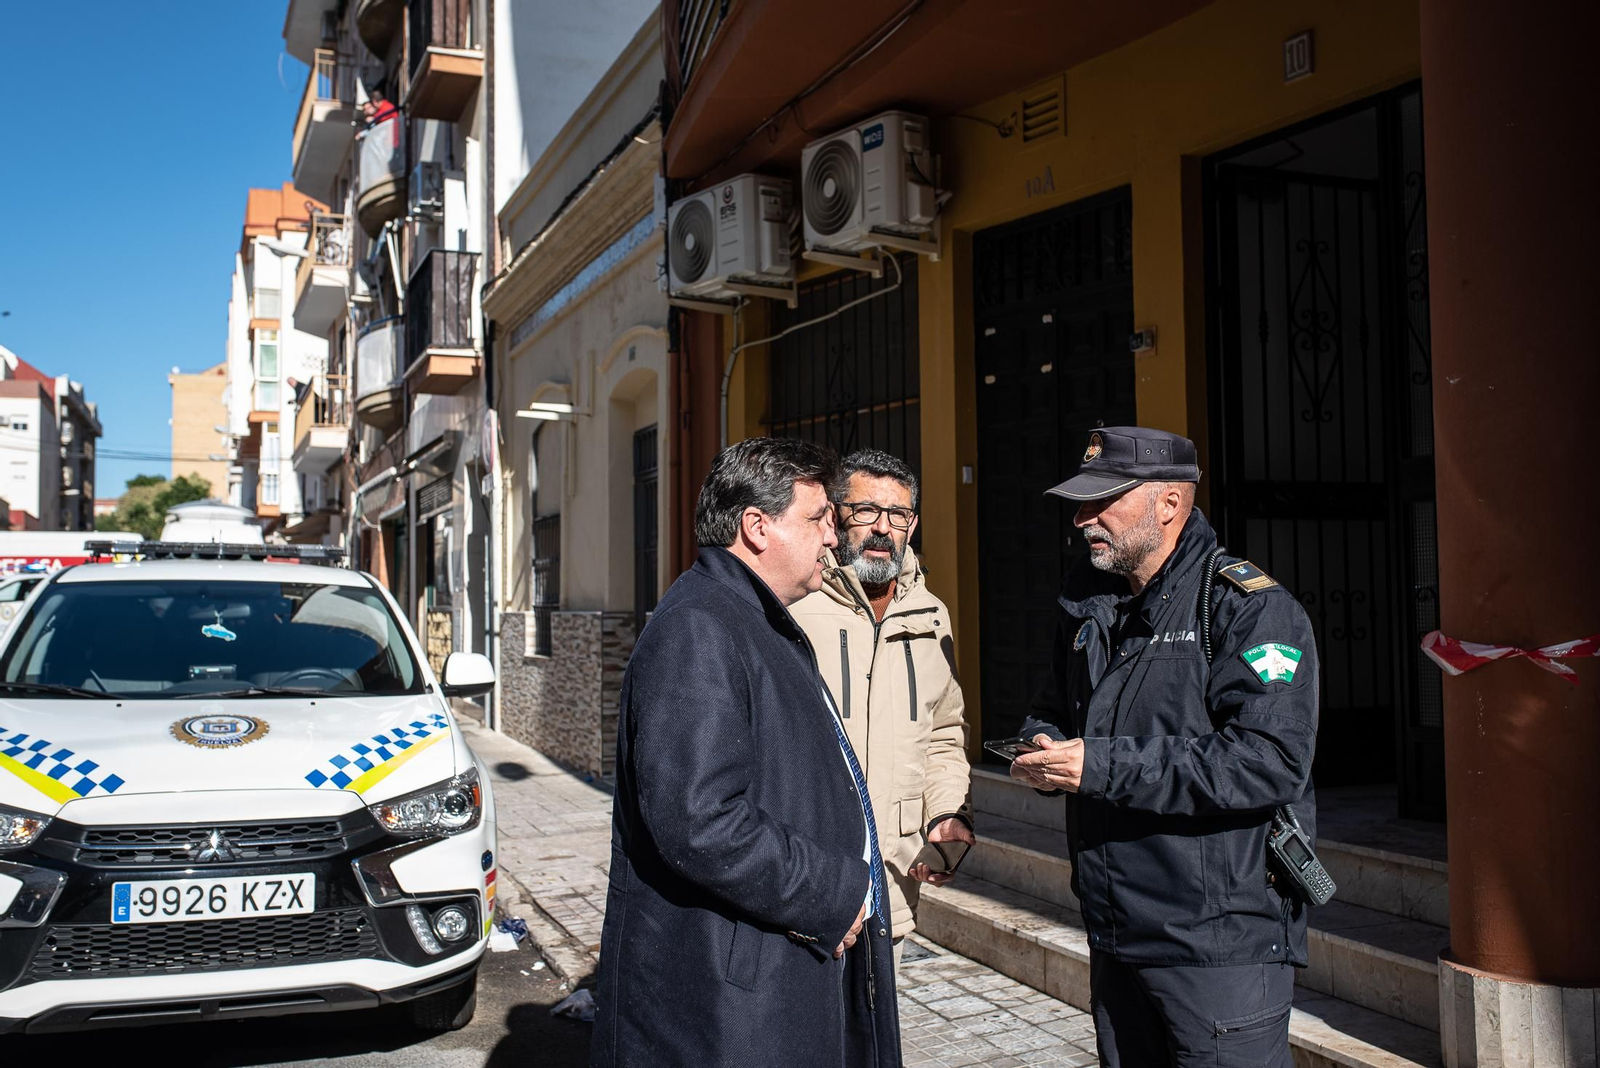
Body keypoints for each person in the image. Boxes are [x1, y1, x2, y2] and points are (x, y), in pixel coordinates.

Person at [1009, 426, 1319, 1068]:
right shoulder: (1090, 606)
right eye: (1078, 504)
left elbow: (1267, 762)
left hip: (1218, 943)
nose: (1082, 520)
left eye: (1102, 503)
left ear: (1169, 504)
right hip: (1116, 930)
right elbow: (1053, 705)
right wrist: (1044, 741)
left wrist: (1099, 765)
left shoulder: (1248, 610)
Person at [591, 437, 901, 1068]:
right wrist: (831, 891)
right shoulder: (700, 629)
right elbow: (699, 820)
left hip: (761, 977)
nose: (833, 538)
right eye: (817, 519)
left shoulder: (749, 617)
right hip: (727, 1004)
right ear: (756, 527)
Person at [791, 449, 973, 970]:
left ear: (912, 525)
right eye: (865, 510)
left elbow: (943, 734)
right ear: (835, 515)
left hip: (892, 880)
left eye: (898, 515)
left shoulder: (930, 613)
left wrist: (946, 814)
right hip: (808, 878)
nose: (881, 529)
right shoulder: (794, 604)